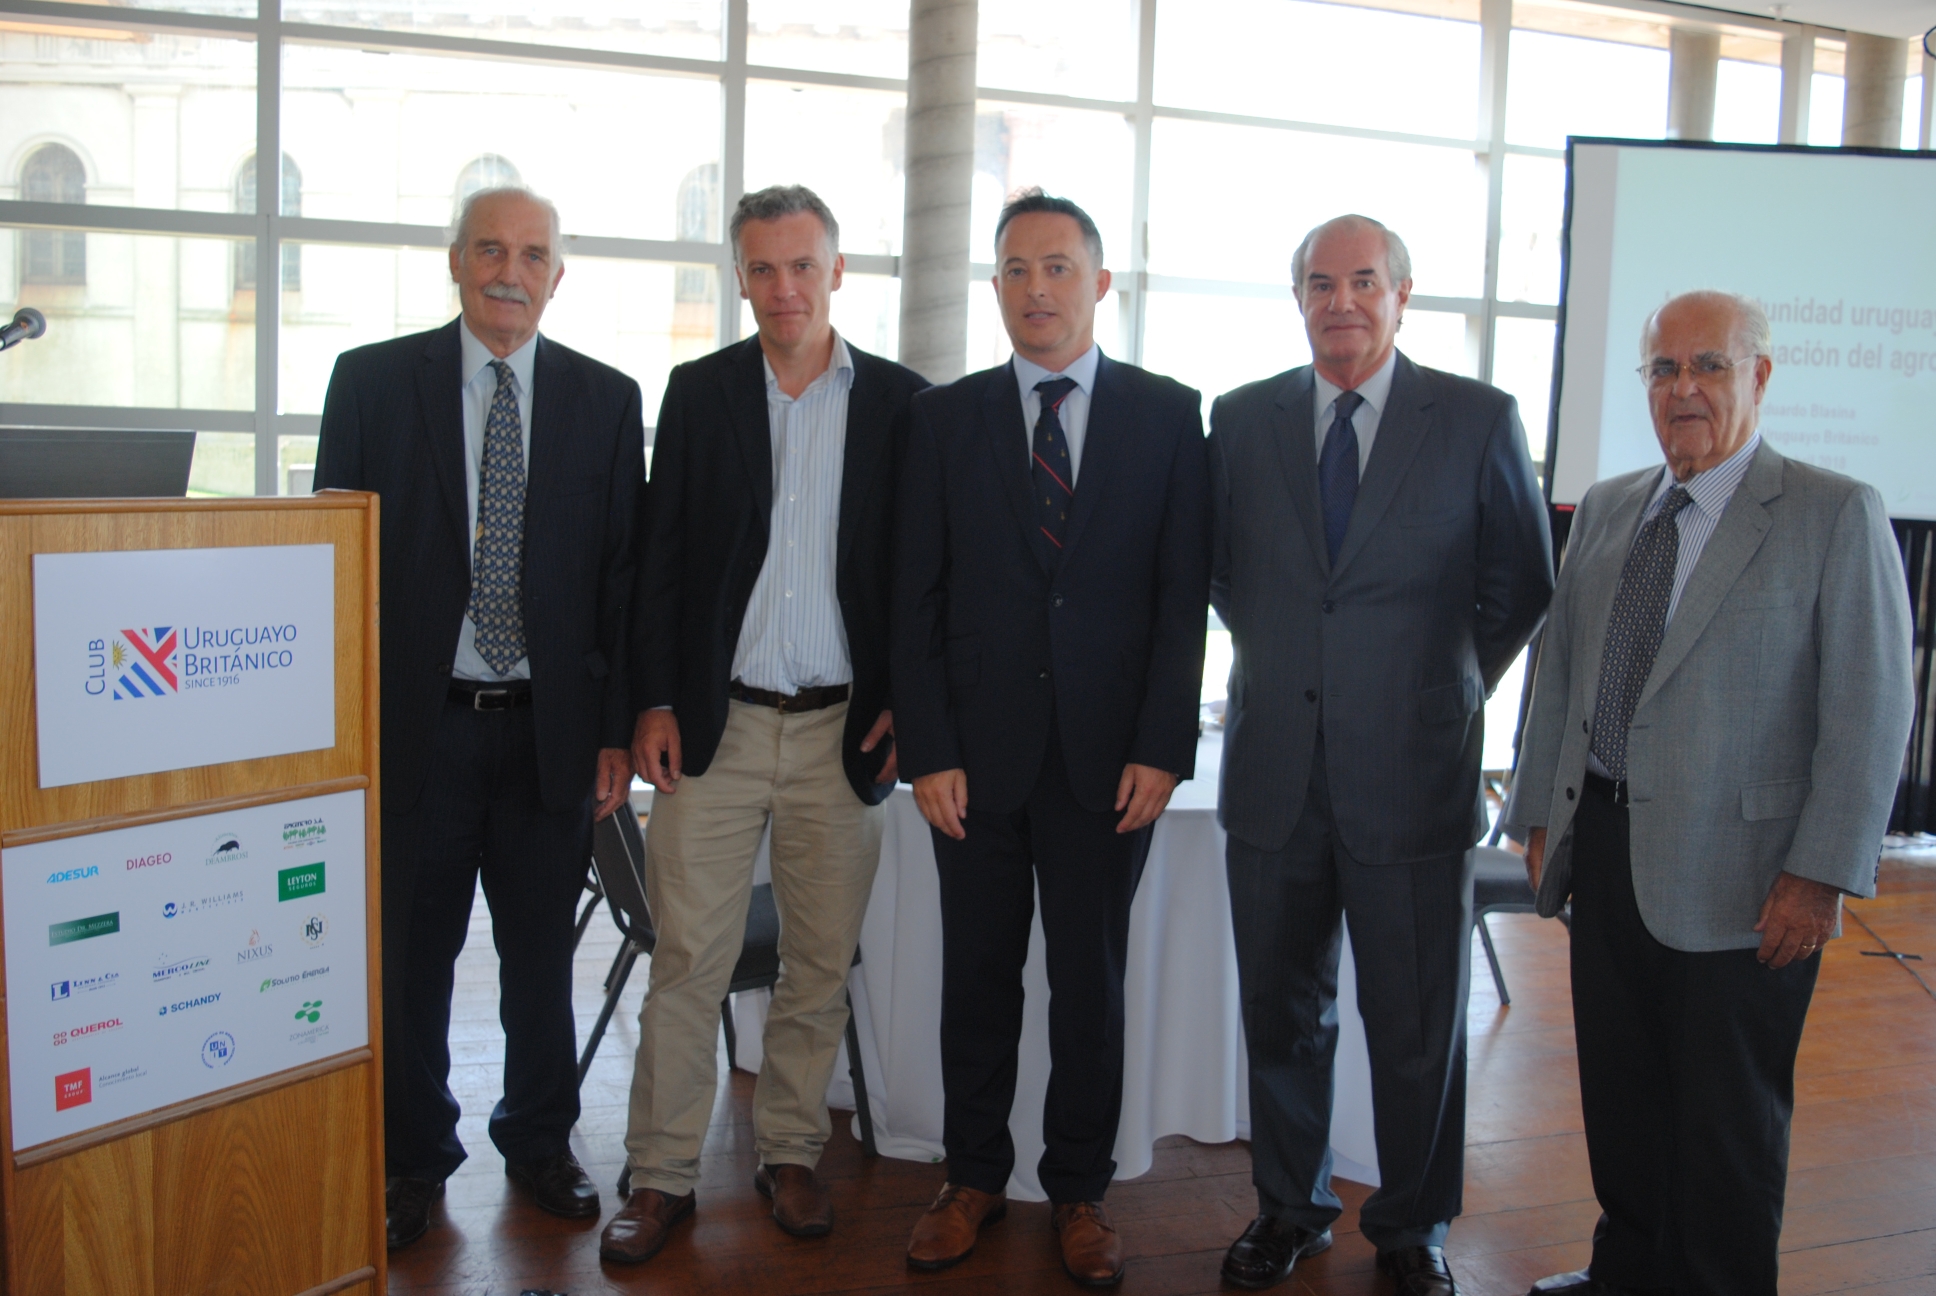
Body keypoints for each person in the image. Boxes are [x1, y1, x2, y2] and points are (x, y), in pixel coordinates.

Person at [1503, 290, 1913, 1296]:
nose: (1683, 389)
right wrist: (1539, 815)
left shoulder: (1830, 511)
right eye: (1663, 370)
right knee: (1623, 1095)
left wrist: (1819, 873)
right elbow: (1561, 674)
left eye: (1709, 367)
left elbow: (1869, 708)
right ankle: (1629, 1268)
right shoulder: (1607, 506)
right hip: (1603, 849)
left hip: (1747, 881)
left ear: (1759, 376)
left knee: (1727, 1123)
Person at [1206, 214, 1553, 1295]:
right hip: (1272, 777)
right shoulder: (1242, 417)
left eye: (1363, 281)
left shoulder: (1476, 417)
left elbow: (1522, 582)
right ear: (1297, 298)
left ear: (1403, 294)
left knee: (1413, 1025)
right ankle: (1289, 1208)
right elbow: (1225, 574)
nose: (1340, 301)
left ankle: (1411, 1228)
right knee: (1281, 1015)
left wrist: (1433, 688)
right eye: (1320, 283)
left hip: (1413, 777)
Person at [597, 185, 929, 1265]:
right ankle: (661, 1176)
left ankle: (790, 1152)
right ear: (740, 277)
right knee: (687, 962)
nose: (782, 289)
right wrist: (651, 698)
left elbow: (924, 584)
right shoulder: (698, 395)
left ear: (838, 272)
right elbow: (660, 563)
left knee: (818, 964)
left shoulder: (901, 404)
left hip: (842, 738)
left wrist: (908, 707)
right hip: (716, 730)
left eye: (801, 267)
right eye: (761, 269)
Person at [890, 188, 1209, 1288]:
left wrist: (1164, 744)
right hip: (970, 767)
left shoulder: (1170, 416)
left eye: (1059, 268)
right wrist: (927, 748)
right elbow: (912, 597)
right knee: (977, 977)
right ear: (995, 288)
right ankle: (971, 1176)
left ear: (1100, 282)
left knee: (1091, 984)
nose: (1038, 289)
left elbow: (1182, 596)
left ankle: (1079, 1191)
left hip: (1108, 765)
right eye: (1017, 270)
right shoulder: (942, 419)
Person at [314, 186, 643, 1250]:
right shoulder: (370, 384)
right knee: (412, 959)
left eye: (533, 253)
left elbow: (621, 583)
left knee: (541, 957)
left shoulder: (605, 398)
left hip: (549, 731)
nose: (511, 269)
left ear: (558, 273)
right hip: (419, 729)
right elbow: (333, 569)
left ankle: (540, 1137)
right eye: (491, 249)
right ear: (455, 261)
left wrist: (610, 730)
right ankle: (413, 1157)